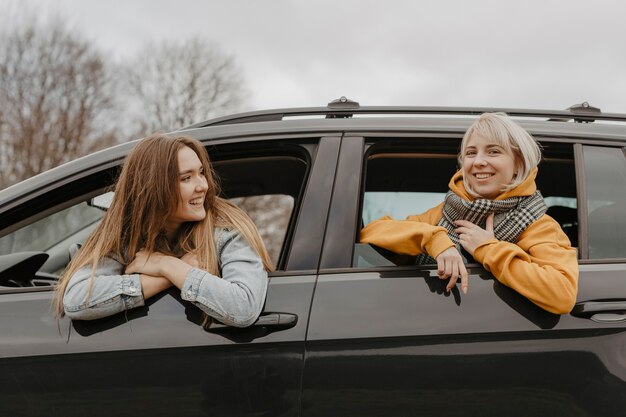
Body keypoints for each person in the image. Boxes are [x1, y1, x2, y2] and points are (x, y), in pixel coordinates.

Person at [360, 112, 578, 314]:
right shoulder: (447, 211)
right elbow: (371, 231)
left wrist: (487, 248)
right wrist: (436, 240)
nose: (479, 161)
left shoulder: (538, 224)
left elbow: (562, 294)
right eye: (471, 153)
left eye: (493, 151)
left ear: (518, 163)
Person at [54, 134, 273, 327]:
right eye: (186, 178)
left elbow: (243, 306)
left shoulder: (225, 229)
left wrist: (163, 264)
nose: (203, 186)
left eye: (201, 173)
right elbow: (77, 299)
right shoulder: (126, 236)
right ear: (154, 189)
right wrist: (174, 273)